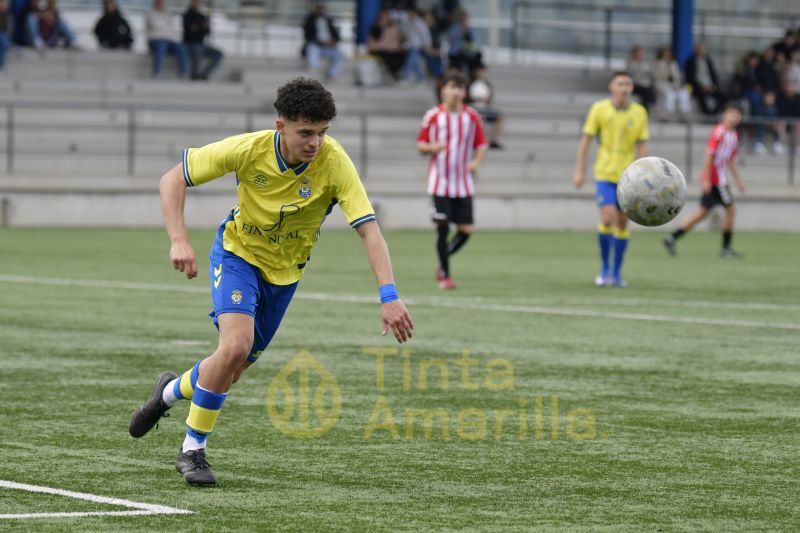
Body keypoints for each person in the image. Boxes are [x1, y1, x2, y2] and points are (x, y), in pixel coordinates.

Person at [128, 78, 414, 486]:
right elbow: (171, 179)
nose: (315, 142)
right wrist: (179, 240)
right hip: (237, 256)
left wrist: (390, 295)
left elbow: (369, 229)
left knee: (232, 367)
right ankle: (193, 450)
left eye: (322, 132)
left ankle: (168, 392)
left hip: (285, 276)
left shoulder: (334, 162)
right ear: (281, 126)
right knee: (235, 346)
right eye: (306, 133)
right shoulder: (248, 149)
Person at [573, 71, 649, 288]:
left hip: (628, 177)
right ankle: (604, 268)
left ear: (632, 88)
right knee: (607, 219)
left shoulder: (639, 112)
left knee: (623, 222)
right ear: (612, 87)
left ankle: (616, 272)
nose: (624, 88)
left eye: (628, 83)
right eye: (620, 84)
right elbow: (586, 141)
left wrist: (643, 175)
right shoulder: (599, 109)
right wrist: (579, 171)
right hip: (605, 173)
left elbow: (642, 144)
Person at [417, 72, 488, 290]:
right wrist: (432, 148)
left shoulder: (472, 117)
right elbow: (421, 145)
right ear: (443, 90)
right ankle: (445, 276)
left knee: (466, 230)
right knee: (443, 226)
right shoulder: (433, 116)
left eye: (460, 88)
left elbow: (482, 144)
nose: (455, 92)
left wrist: (475, 162)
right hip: (440, 182)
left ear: (465, 92)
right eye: (451, 87)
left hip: (462, 182)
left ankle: (442, 258)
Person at [663, 103, 746, 258]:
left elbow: (730, 161)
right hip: (716, 181)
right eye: (732, 114)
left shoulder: (733, 135)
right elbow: (709, 155)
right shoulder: (719, 132)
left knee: (703, 213)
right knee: (731, 210)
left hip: (718, 179)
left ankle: (672, 238)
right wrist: (706, 179)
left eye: (737, 115)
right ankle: (725, 249)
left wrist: (738, 181)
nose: (734, 117)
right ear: (724, 115)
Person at [302, 3, 345, 80]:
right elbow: (308, 35)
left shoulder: (328, 20)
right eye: (318, 8)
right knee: (312, 49)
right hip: (316, 45)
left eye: (322, 8)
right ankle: (315, 71)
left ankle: (331, 74)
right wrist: (321, 42)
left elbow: (336, 35)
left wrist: (333, 41)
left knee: (340, 57)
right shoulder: (310, 20)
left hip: (329, 47)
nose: (320, 10)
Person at [146, 0, 188, 79]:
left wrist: (166, 32)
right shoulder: (150, 14)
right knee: (161, 46)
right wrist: (166, 31)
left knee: (182, 47)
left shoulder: (167, 14)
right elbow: (156, 26)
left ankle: (183, 73)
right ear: (155, 3)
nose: (161, 4)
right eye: (159, 2)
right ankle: (156, 73)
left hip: (169, 40)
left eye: (162, 3)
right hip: (155, 40)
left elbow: (171, 29)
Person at [182, 0, 222, 80]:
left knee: (218, 54)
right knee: (197, 51)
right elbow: (190, 31)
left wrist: (198, 28)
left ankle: (204, 74)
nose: (196, 4)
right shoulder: (187, 15)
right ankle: (195, 74)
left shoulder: (202, 16)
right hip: (190, 43)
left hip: (201, 43)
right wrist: (200, 28)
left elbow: (207, 31)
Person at [467, 63, 503, 149]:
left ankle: (494, 141)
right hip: (473, 107)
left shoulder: (487, 84)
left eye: (483, 71)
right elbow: (466, 97)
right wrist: (476, 99)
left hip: (485, 107)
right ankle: (478, 141)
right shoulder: (469, 82)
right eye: (480, 71)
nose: (481, 73)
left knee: (499, 117)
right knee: (480, 117)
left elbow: (490, 98)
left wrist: (486, 100)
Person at [684, 42, 724, 115]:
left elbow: (713, 75)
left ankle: (713, 113)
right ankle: (707, 113)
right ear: (696, 50)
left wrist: (714, 85)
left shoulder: (708, 61)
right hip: (697, 87)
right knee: (701, 95)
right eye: (700, 49)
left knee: (723, 96)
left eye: (703, 50)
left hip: (710, 87)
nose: (702, 51)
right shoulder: (690, 62)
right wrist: (702, 87)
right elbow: (690, 78)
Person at [653, 46, 691, 120]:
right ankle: (667, 115)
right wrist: (667, 75)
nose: (667, 56)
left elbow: (678, 77)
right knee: (670, 94)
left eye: (668, 54)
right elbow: (656, 77)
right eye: (665, 54)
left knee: (684, 93)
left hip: (674, 85)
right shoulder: (657, 64)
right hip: (661, 85)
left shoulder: (674, 64)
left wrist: (676, 84)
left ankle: (684, 115)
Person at [367, 8, 405, 81]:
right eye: (383, 17)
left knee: (401, 55)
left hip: (389, 49)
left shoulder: (392, 27)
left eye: (387, 17)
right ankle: (394, 73)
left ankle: (396, 72)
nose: (385, 19)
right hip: (378, 49)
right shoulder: (376, 28)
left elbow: (397, 39)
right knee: (388, 56)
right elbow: (374, 43)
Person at [399, 8, 431, 84]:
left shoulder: (419, 23)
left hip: (417, 46)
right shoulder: (407, 22)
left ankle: (405, 78)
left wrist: (427, 45)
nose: (410, 15)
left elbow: (425, 34)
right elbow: (405, 32)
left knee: (409, 62)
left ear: (415, 13)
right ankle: (421, 79)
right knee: (415, 63)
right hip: (410, 45)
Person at [627, 45, 655, 111]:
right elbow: (630, 76)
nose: (640, 55)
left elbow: (649, 75)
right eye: (638, 53)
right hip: (635, 85)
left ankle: (646, 108)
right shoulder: (630, 63)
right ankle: (648, 106)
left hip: (645, 85)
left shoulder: (646, 64)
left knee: (647, 90)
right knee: (646, 91)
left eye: (641, 53)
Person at [0, 0, 11, 75]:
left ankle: (1, 67)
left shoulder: (7, 16)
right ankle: (12, 46)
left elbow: (9, 31)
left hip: (3, 38)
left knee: (2, 40)